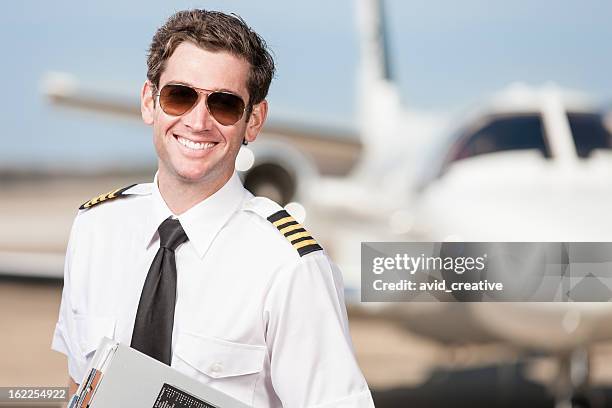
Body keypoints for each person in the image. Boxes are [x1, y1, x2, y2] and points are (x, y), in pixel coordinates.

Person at [51, 9, 375, 408]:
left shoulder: (289, 265)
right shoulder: (94, 228)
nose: (199, 121)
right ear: (149, 102)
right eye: (179, 96)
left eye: (224, 105)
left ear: (254, 121)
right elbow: (78, 384)